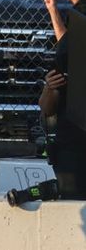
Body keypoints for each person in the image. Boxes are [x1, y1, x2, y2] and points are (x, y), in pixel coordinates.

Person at [40, 31, 86, 199]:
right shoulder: (72, 44)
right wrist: (49, 87)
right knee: (73, 206)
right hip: (73, 145)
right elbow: (47, 109)